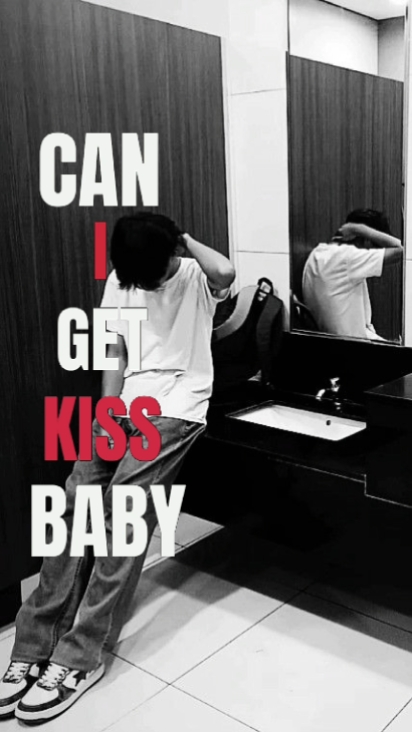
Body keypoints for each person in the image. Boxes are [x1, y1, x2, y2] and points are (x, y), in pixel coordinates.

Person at [0, 212, 235, 724]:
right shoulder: (122, 277)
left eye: (151, 275)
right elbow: (114, 348)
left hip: (178, 405)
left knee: (120, 518)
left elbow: (226, 272)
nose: (142, 286)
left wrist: (183, 239)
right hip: (127, 403)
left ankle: (80, 656)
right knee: (73, 508)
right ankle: (34, 642)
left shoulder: (195, 275)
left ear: (173, 252)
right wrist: (106, 413)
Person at [302, 209, 403, 340]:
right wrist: (360, 229)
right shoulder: (347, 258)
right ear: (364, 239)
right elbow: (402, 251)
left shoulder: (319, 252)